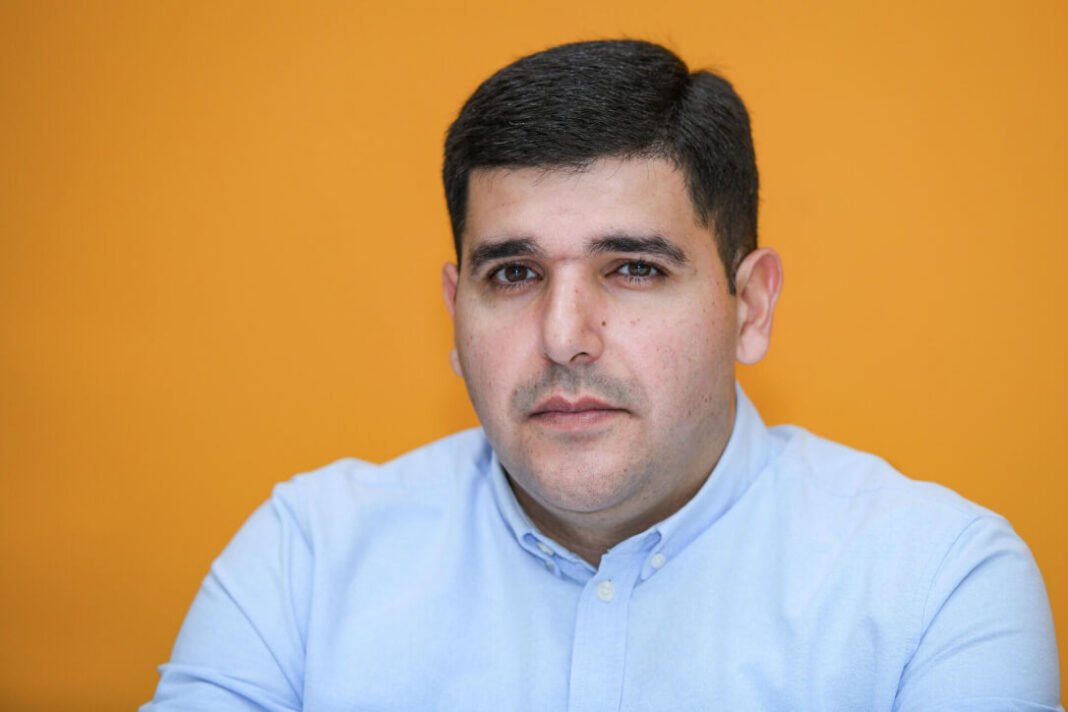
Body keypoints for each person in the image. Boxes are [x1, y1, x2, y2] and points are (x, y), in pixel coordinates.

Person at [144, 39, 1061, 710]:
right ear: (454, 314)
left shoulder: (936, 584)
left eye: (633, 269)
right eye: (514, 274)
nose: (564, 337)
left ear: (750, 306)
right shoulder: (306, 562)